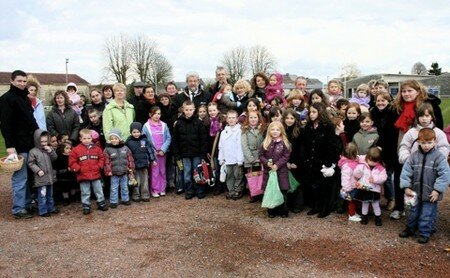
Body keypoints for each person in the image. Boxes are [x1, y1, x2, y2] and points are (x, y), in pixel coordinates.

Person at [391, 79, 444, 220]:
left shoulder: (428, 106)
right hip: (403, 145)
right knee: (401, 176)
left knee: (422, 180)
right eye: (403, 91)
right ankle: (399, 206)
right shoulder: (398, 106)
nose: (406, 94)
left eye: (410, 91)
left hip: (424, 147)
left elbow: (438, 129)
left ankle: (424, 213)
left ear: (418, 91)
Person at [399, 128, 450, 244]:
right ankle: (410, 228)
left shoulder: (439, 158)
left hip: (431, 193)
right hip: (415, 192)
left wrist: (437, 190)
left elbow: (445, 175)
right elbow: (406, 172)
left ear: (434, 142)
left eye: (429, 142)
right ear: (418, 143)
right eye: (423, 143)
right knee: (413, 211)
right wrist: (406, 187)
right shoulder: (413, 157)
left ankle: (424, 232)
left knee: (427, 213)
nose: (426, 146)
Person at [0, 70, 39, 218]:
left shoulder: (26, 99)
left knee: (29, 177)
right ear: (12, 81)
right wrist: (10, 146)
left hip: (30, 143)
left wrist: (39, 135)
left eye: (24, 81)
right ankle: (18, 208)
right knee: (20, 177)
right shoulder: (6, 99)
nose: (22, 84)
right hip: (18, 145)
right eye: (19, 81)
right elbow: (5, 125)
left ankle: (27, 204)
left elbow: (31, 121)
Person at [299, 102, 341, 218]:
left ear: (320, 112)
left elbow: (332, 146)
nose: (311, 114)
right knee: (313, 186)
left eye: (314, 112)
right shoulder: (308, 126)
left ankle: (325, 208)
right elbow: (305, 144)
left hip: (323, 162)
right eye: (310, 112)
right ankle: (315, 206)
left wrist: (328, 163)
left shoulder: (328, 127)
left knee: (324, 186)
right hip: (311, 161)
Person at [171, 100, 208, 199]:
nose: (188, 111)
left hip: (197, 153)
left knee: (197, 172)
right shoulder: (178, 123)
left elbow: (203, 140)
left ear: (194, 110)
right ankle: (189, 190)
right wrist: (177, 154)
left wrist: (203, 154)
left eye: (190, 109)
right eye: (186, 110)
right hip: (184, 154)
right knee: (187, 173)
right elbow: (175, 140)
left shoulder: (198, 123)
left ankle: (199, 189)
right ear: (183, 110)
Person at [370, 91, 398, 211]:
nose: (380, 103)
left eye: (383, 100)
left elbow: (393, 134)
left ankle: (391, 198)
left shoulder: (393, 113)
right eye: (378, 101)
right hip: (377, 147)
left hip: (389, 148)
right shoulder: (374, 112)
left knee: (387, 176)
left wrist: (383, 147)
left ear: (388, 101)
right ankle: (375, 196)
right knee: (375, 173)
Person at [68, 129, 108, 215]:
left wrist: (99, 166)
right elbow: (72, 162)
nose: (87, 140)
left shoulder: (97, 149)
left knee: (99, 190)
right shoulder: (76, 150)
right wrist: (78, 168)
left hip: (96, 174)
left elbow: (101, 158)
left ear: (91, 138)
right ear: (80, 139)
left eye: (89, 138)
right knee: (85, 191)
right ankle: (86, 205)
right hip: (83, 175)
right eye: (84, 138)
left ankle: (101, 203)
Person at [259, 121, 291, 218]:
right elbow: (261, 156)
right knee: (271, 191)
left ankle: (283, 210)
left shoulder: (284, 143)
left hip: (281, 172)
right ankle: (272, 210)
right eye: (272, 129)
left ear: (281, 131)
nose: (275, 131)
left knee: (282, 191)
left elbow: (286, 156)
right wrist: (266, 163)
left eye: (277, 130)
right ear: (269, 131)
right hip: (269, 172)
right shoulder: (265, 143)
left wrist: (277, 165)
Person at [27, 129, 58, 217]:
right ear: (37, 140)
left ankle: (51, 208)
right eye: (41, 141)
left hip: (50, 177)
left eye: (45, 141)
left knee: (50, 195)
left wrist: (50, 151)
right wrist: (38, 170)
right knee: (42, 195)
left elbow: (54, 158)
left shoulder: (48, 149)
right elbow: (30, 163)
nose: (44, 143)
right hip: (41, 178)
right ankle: (43, 211)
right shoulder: (33, 151)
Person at [142, 107, 172, 197]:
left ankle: (162, 188)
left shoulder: (164, 125)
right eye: (155, 113)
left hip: (162, 152)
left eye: (159, 114)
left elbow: (168, 138)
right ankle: (155, 189)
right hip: (153, 153)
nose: (157, 116)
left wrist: (163, 149)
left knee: (162, 170)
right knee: (154, 171)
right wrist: (152, 151)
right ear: (150, 114)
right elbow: (144, 140)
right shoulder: (146, 126)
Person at [353, 147, 387, 226]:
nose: (372, 163)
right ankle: (364, 217)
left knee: (375, 204)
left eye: (374, 161)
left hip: (374, 190)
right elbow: (356, 175)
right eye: (370, 160)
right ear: (367, 158)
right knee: (365, 203)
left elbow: (383, 178)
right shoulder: (362, 165)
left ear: (378, 161)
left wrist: (375, 179)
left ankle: (378, 217)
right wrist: (359, 171)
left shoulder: (380, 168)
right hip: (364, 189)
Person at [103, 128, 135, 208]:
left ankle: (125, 199)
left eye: (116, 138)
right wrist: (108, 171)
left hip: (124, 171)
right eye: (112, 139)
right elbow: (106, 162)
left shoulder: (125, 148)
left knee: (124, 187)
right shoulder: (107, 149)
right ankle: (113, 201)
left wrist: (131, 168)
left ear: (119, 138)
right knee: (114, 187)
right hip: (114, 173)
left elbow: (130, 158)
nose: (114, 140)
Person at [125, 122, 155, 202]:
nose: (136, 134)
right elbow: (127, 154)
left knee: (145, 180)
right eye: (134, 132)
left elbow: (150, 150)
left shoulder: (144, 140)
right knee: (136, 181)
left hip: (144, 164)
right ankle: (136, 196)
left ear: (141, 132)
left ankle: (145, 195)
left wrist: (153, 159)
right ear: (131, 132)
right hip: (135, 166)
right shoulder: (129, 142)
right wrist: (128, 165)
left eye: (138, 132)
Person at [218, 110, 245, 200]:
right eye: (229, 118)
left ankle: (238, 190)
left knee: (238, 175)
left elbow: (240, 146)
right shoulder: (223, 132)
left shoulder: (239, 131)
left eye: (233, 118)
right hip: (227, 158)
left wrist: (240, 159)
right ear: (226, 119)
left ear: (237, 119)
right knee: (229, 175)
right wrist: (221, 158)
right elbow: (221, 146)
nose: (231, 120)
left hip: (236, 158)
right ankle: (231, 191)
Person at [241, 110, 265, 201]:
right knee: (251, 176)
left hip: (260, 156)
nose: (253, 119)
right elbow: (244, 145)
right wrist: (251, 158)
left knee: (261, 175)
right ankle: (253, 193)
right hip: (250, 157)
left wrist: (262, 156)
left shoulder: (262, 129)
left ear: (258, 118)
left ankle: (261, 192)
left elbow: (264, 142)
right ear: (248, 119)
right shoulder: (245, 129)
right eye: (251, 117)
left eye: (255, 117)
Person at [282, 109, 303, 213]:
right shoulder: (282, 131)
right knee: (286, 183)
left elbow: (301, 149)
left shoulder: (299, 131)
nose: (289, 120)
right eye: (287, 118)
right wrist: (286, 162)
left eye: (291, 118)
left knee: (297, 184)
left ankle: (297, 205)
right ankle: (288, 204)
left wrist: (296, 162)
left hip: (296, 162)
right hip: (285, 162)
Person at [338, 143, 362, 222]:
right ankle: (351, 215)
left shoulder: (352, 161)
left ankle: (353, 213)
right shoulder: (347, 165)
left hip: (353, 186)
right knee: (351, 201)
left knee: (353, 200)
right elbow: (345, 178)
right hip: (349, 188)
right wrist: (346, 188)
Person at [53, 142, 77, 206]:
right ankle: (66, 198)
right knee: (65, 188)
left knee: (73, 185)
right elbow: (57, 168)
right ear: (62, 149)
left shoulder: (73, 157)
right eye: (67, 148)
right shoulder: (59, 158)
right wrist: (66, 170)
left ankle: (73, 196)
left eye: (70, 148)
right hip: (63, 176)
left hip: (72, 175)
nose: (69, 150)